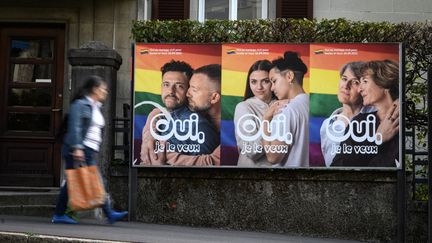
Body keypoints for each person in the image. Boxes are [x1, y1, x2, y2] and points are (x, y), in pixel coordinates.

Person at [52, 75, 128, 224]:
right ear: (94, 89)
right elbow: (75, 127)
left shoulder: (96, 107)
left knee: (73, 182)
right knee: (95, 181)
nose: (105, 92)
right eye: (103, 89)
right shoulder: (80, 105)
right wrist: (78, 148)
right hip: (79, 149)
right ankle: (109, 214)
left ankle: (59, 214)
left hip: (88, 150)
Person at [140, 62, 220, 166]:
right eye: (166, 84)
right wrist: (149, 134)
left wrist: (161, 155)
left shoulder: (198, 125)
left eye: (179, 86)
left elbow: (209, 166)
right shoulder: (160, 116)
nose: (170, 91)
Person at [331, 60, 399, 167]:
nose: (360, 89)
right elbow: (338, 166)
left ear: (384, 83)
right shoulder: (360, 122)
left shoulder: (405, 120)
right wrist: (377, 140)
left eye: (365, 81)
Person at [319, 61, 375, 167]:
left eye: (355, 82)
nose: (346, 86)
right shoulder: (327, 125)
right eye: (344, 79)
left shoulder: (375, 118)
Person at [165, 64, 222, 166]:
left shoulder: (231, 131)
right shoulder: (190, 113)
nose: (187, 94)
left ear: (214, 98)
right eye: (189, 87)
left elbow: (211, 165)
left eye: (194, 90)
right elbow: (163, 111)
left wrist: (165, 155)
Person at [261, 52, 309, 167]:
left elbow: (273, 157)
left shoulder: (284, 110)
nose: (272, 88)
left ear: (289, 76)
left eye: (274, 81)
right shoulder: (311, 104)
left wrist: (265, 120)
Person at [234, 60, 276, 167]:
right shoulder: (243, 107)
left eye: (265, 81)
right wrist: (267, 119)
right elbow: (252, 151)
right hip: (252, 173)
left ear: (273, 81)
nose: (259, 87)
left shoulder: (284, 104)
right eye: (253, 82)